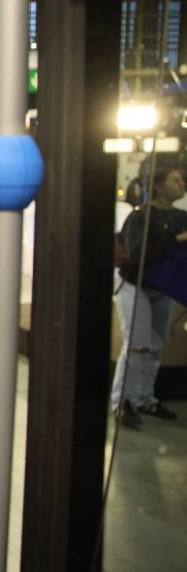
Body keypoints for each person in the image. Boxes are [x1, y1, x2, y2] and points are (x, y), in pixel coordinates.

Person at [112, 165, 186, 428]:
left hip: (163, 288)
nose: (181, 184)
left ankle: (144, 397)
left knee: (155, 345)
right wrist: (177, 239)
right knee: (137, 344)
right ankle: (123, 400)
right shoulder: (140, 217)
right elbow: (138, 252)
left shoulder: (181, 216)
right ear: (158, 186)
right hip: (136, 286)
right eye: (175, 179)